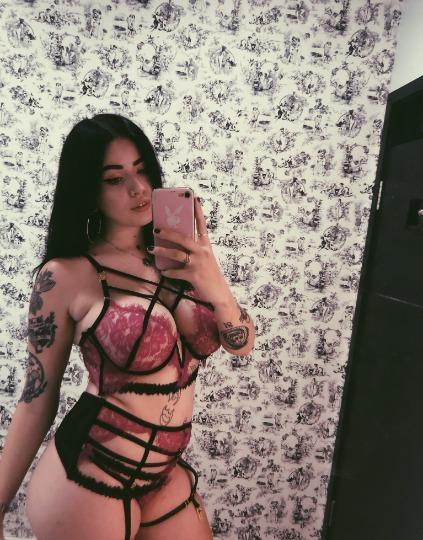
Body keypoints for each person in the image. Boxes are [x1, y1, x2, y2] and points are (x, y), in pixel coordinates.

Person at [0, 113, 255, 540]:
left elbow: (241, 344)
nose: (138, 188)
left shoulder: (182, 259)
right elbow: (36, 399)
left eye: (142, 170)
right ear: (88, 190)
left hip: (164, 471)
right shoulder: (66, 276)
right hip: (90, 471)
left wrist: (215, 283)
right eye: (114, 179)